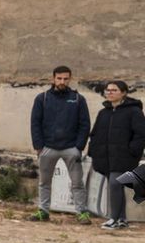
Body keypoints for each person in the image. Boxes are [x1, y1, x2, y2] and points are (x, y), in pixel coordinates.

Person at [29, 66, 93, 222]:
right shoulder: (42, 98)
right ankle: (43, 211)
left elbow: (85, 124)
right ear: (53, 78)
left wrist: (79, 147)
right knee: (44, 182)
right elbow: (35, 123)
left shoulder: (78, 99)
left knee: (77, 182)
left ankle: (81, 212)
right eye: (59, 78)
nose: (62, 81)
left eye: (65, 78)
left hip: (71, 148)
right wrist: (39, 146)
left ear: (70, 79)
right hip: (47, 148)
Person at [88, 81, 144, 229]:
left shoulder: (134, 111)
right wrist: (93, 151)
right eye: (108, 90)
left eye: (114, 90)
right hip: (106, 157)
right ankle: (122, 219)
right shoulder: (103, 113)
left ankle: (112, 218)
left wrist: (133, 151)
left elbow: (140, 134)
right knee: (116, 186)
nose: (110, 92)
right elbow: (95, 134)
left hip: (124, 157)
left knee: (115, 183)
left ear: (124, 93)